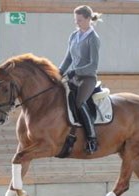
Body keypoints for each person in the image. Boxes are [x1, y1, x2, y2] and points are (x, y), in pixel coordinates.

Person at [59, 5, 102, 154]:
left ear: (89, 19)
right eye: (75, 20)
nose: (77, 23)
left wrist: (76, 71)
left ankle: (92, 139)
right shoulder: (73, 36)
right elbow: (68, 58)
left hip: (87, 78)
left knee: (79, 102)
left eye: (80, 20)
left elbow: (93, 65)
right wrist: (58, 72)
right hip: (73, 76)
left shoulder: (93, 39)